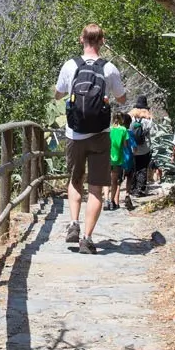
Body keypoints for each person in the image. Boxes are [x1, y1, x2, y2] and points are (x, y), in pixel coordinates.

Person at [54, 24, 127, 253]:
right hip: (100, 135)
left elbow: (59, 93)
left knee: (75, 180)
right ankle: (86, 238)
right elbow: (123, 99)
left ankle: (74, 223)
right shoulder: (109, 68)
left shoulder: (70, 65)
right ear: (102, 41)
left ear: (81, 39)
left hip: (74, 134)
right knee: (96, 188)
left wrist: (63, 94)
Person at [128, 96, 154, 195]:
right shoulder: (147, 121)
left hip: (133, 148)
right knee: (142, 168)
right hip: (145, 148)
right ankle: (140, 190)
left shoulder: (131, 121)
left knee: (133, 168)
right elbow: (153, 132)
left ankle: (132, 188)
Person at [106, 112, 130, 212]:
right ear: (122, 120)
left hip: (107, 158)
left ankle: (106, 200)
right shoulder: (124, 130)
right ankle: (112, 201)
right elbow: (125, 145)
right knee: (114, 181)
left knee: (106, 180)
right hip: (118, 159)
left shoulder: (109, 130)